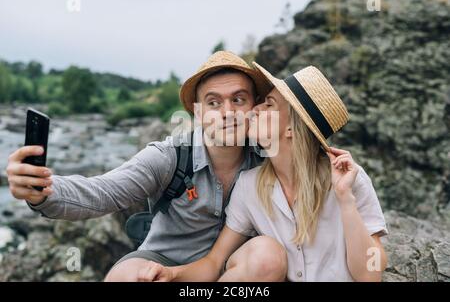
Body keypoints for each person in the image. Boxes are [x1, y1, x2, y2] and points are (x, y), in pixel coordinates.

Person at [6, 51, 290, 282]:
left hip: (237, 271)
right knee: (126, 277)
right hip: (164, 262)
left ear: (254, 105)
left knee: (268, 256)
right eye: (214, 102)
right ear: (198, 113)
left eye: (238, 100)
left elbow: (309, 163)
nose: (228, 112)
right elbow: (104, 192)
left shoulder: (271, 156)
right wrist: (42, 191)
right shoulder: (169, 157)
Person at [133, 63, 388, 282]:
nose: (255, 109)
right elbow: (214, 263)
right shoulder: (250, 185)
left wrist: (345, 200)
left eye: (269, 105)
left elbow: (370, 274)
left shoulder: (348, 179)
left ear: (290, 129)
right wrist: (172, 274)